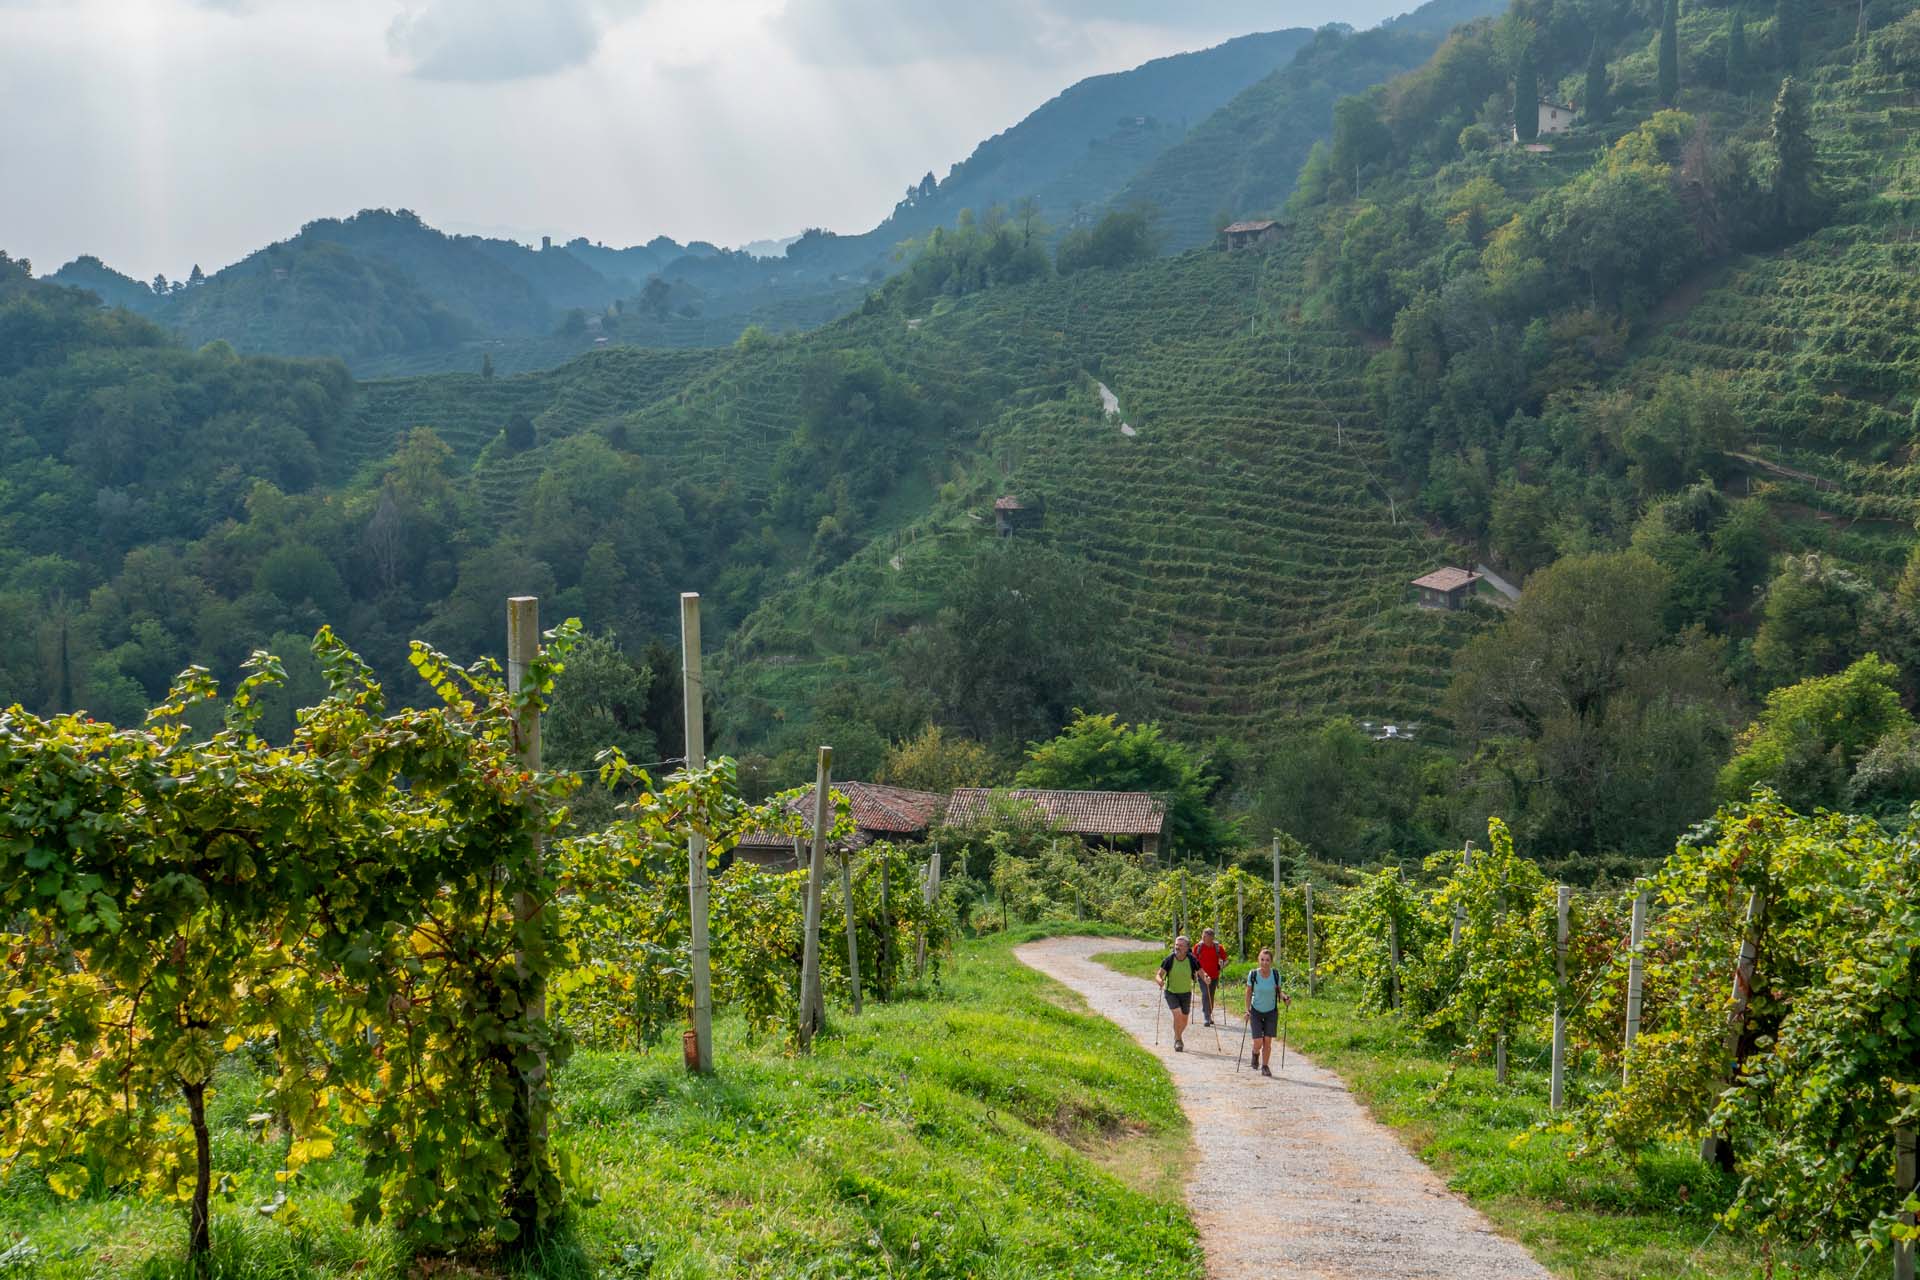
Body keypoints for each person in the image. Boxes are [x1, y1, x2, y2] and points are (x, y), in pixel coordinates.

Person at [1243, 947, 1291, 1077]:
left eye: (1267, 960)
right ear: (1259, 960)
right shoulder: (1253, 974)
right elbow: (1248, 993)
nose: (1265, 962)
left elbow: (1279, 991)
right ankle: (1255, 1053)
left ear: (1271, 961)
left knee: (1268, 1041)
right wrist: (1247, 1010)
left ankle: (1265, 1066)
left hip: (1271, 1011)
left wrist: (1285, 998)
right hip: (1256, 1011)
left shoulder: (1275, 975)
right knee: (1258, 1041)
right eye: (1262, 959)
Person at [1156, 934, 1201, 1051]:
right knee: (1178, 1015)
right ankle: (1178, 1040)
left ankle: (1177, 1036)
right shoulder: (1169, 959)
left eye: (1180, 945)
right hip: (1171, 992)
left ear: (1187, 948)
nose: (1177, 947)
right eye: (1176, 945)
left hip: (1186, 993)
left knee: (1184, 1020)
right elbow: (1159, 974)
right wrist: (1160, 981)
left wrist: (1206, 978)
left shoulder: (1192, 960)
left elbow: (1201, 972)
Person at [1193, 927, 1227, 1027]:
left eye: (1207, 938)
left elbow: (1226, 960)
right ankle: (1206, 1017)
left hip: (1214, 975)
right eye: (1203, 937)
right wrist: (1194, 971)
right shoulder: (1198, 947)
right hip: (1202, 975)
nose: (1204, 940)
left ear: (1212, 938)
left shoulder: (1218, 947)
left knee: (1211, 995)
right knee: (1205, 994)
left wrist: (1221, 966)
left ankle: (1209, 1014)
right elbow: (1193, 960)